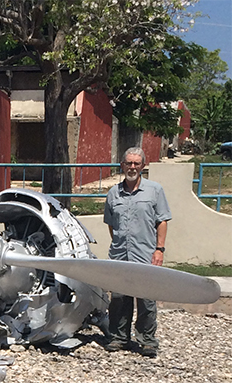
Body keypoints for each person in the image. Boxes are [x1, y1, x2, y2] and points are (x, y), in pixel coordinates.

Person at [103, 147, 172, 358]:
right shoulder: (113, 193)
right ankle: (119, 337)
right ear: (122, 165)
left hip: (146, 252)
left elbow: (162, 221)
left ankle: (147, 341)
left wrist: (159, 249)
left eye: (136, 163)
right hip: (120, 254)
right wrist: (118, 243)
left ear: (143, 166)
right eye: (128, 163)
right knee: (119, 298)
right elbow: (111, 224)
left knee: (147, 299)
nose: (132, 167)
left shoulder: (154, 190)